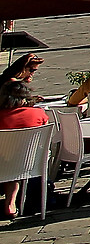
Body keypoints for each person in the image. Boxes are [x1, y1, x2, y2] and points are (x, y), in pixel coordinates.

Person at [0, 78, 48, 220]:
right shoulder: (38, 114)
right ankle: (14, 202)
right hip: (30, 163)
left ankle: (11, 202)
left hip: (3, 163)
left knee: (8, 162)